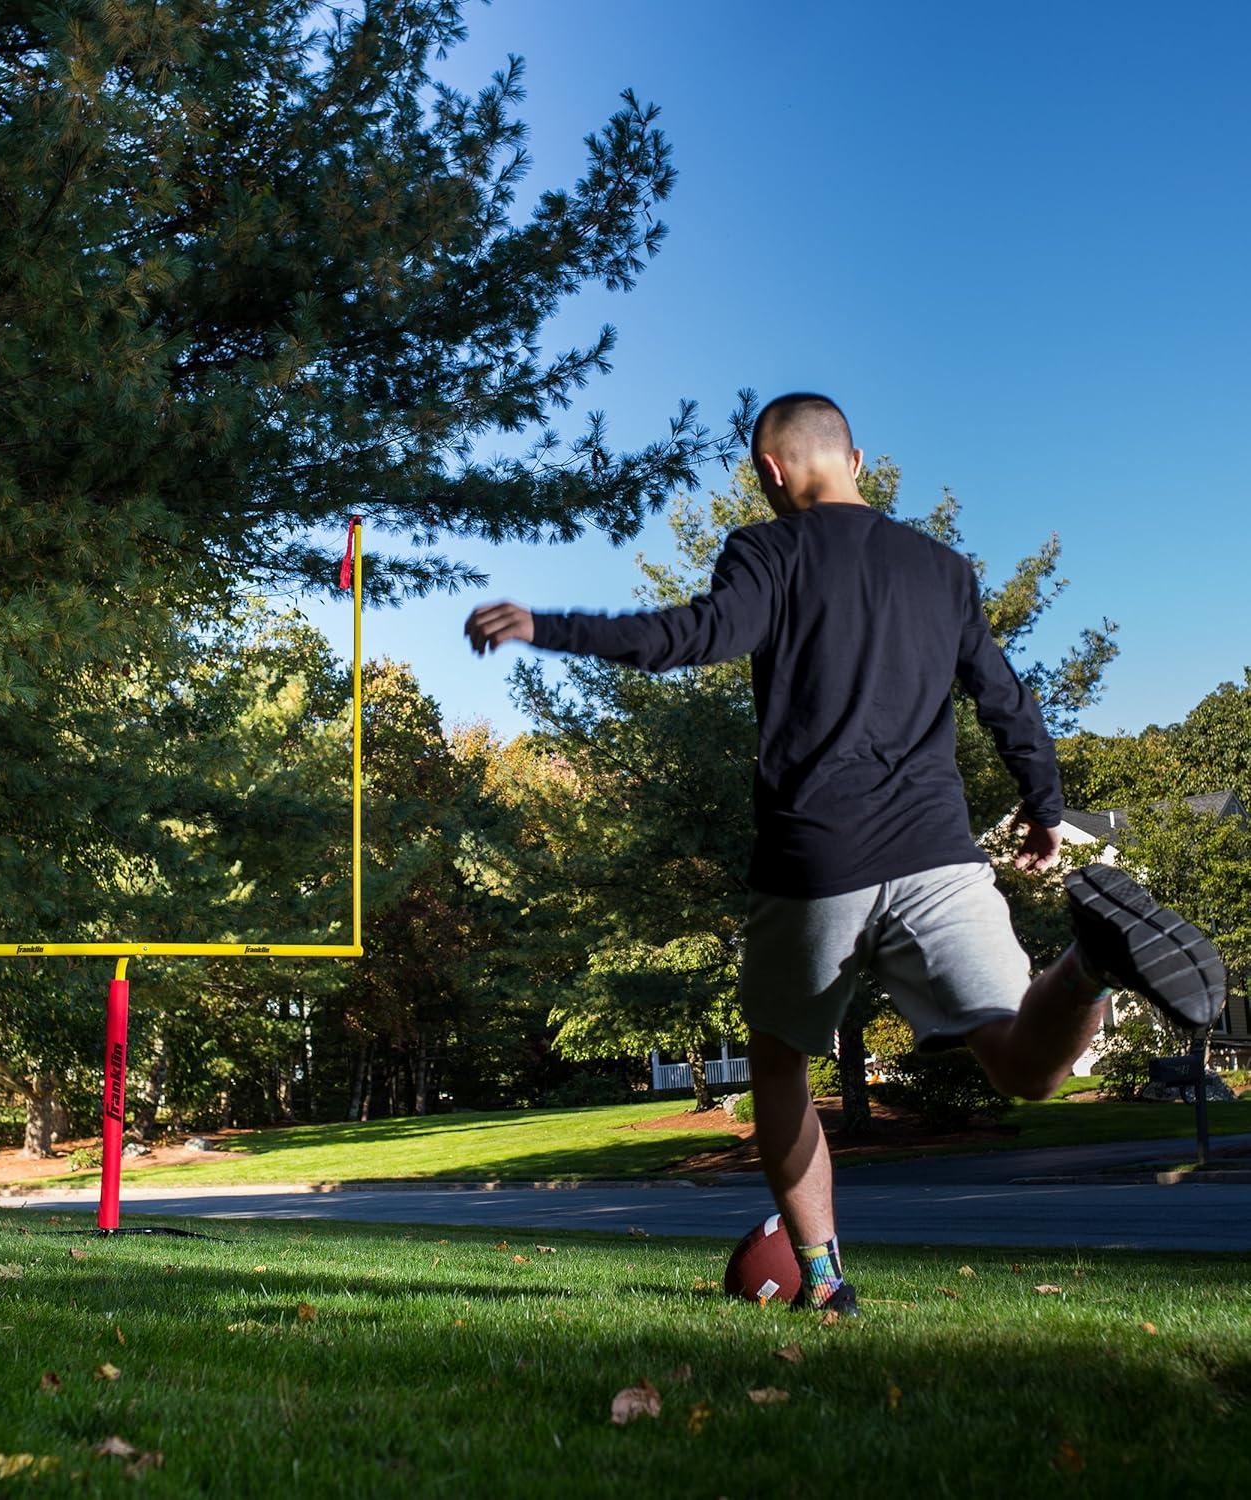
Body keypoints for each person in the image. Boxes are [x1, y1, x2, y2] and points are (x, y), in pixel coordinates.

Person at [463, 392, 1226, 1318]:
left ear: (772, 472)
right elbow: (1005, 699)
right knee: (1024, 1065)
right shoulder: (943, 568)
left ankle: (825, 1281)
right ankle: (1090, 963)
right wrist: (1044, 807)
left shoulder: (767, 550)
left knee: (780, 1062)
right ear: (856, 460)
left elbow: (692, 637)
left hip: (815, 863)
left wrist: (551, 626)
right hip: (940, 858)